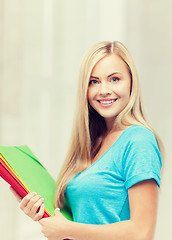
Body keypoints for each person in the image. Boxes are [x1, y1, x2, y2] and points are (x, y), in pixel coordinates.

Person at [11, 41, 163, 240]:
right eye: (94, 81)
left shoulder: (138, 140)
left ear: (131, 83)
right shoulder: (93, 142)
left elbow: (142, 232)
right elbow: (84, 221)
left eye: (114, 79)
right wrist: (42, 213)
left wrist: (66, 229)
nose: (104, 90)